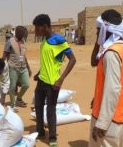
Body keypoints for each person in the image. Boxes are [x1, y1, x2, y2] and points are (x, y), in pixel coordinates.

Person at [89, 9, 123, 147]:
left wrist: (102, 123)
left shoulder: (111, 54)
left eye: (99, 30)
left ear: (106, 30)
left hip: (110, 122)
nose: (97, 33)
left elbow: (112, 89)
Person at [32, 14, 76, 147]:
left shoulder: (58, 40)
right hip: (41, 80)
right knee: (38, 106)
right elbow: (47, 61)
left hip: (53, 83)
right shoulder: (44, 41)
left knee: (50, 110)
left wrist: (60, 80)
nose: (36, 31)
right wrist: (39, 73)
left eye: (37, 28)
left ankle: (52, 137)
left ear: (45, 26)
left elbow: (73, 60)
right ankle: (40, 131)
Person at [3, 26, 32, 110]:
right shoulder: (10, 41)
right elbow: (4, 55)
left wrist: (28, 67)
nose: (24, 35)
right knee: (12, 87)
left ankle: (18, 98)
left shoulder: (23, 41)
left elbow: (23, 55)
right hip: (13, 67)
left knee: (26, 84)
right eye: (22, 33)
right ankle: (13, 104)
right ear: (17, 32)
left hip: (23, 67)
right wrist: (1, 67)